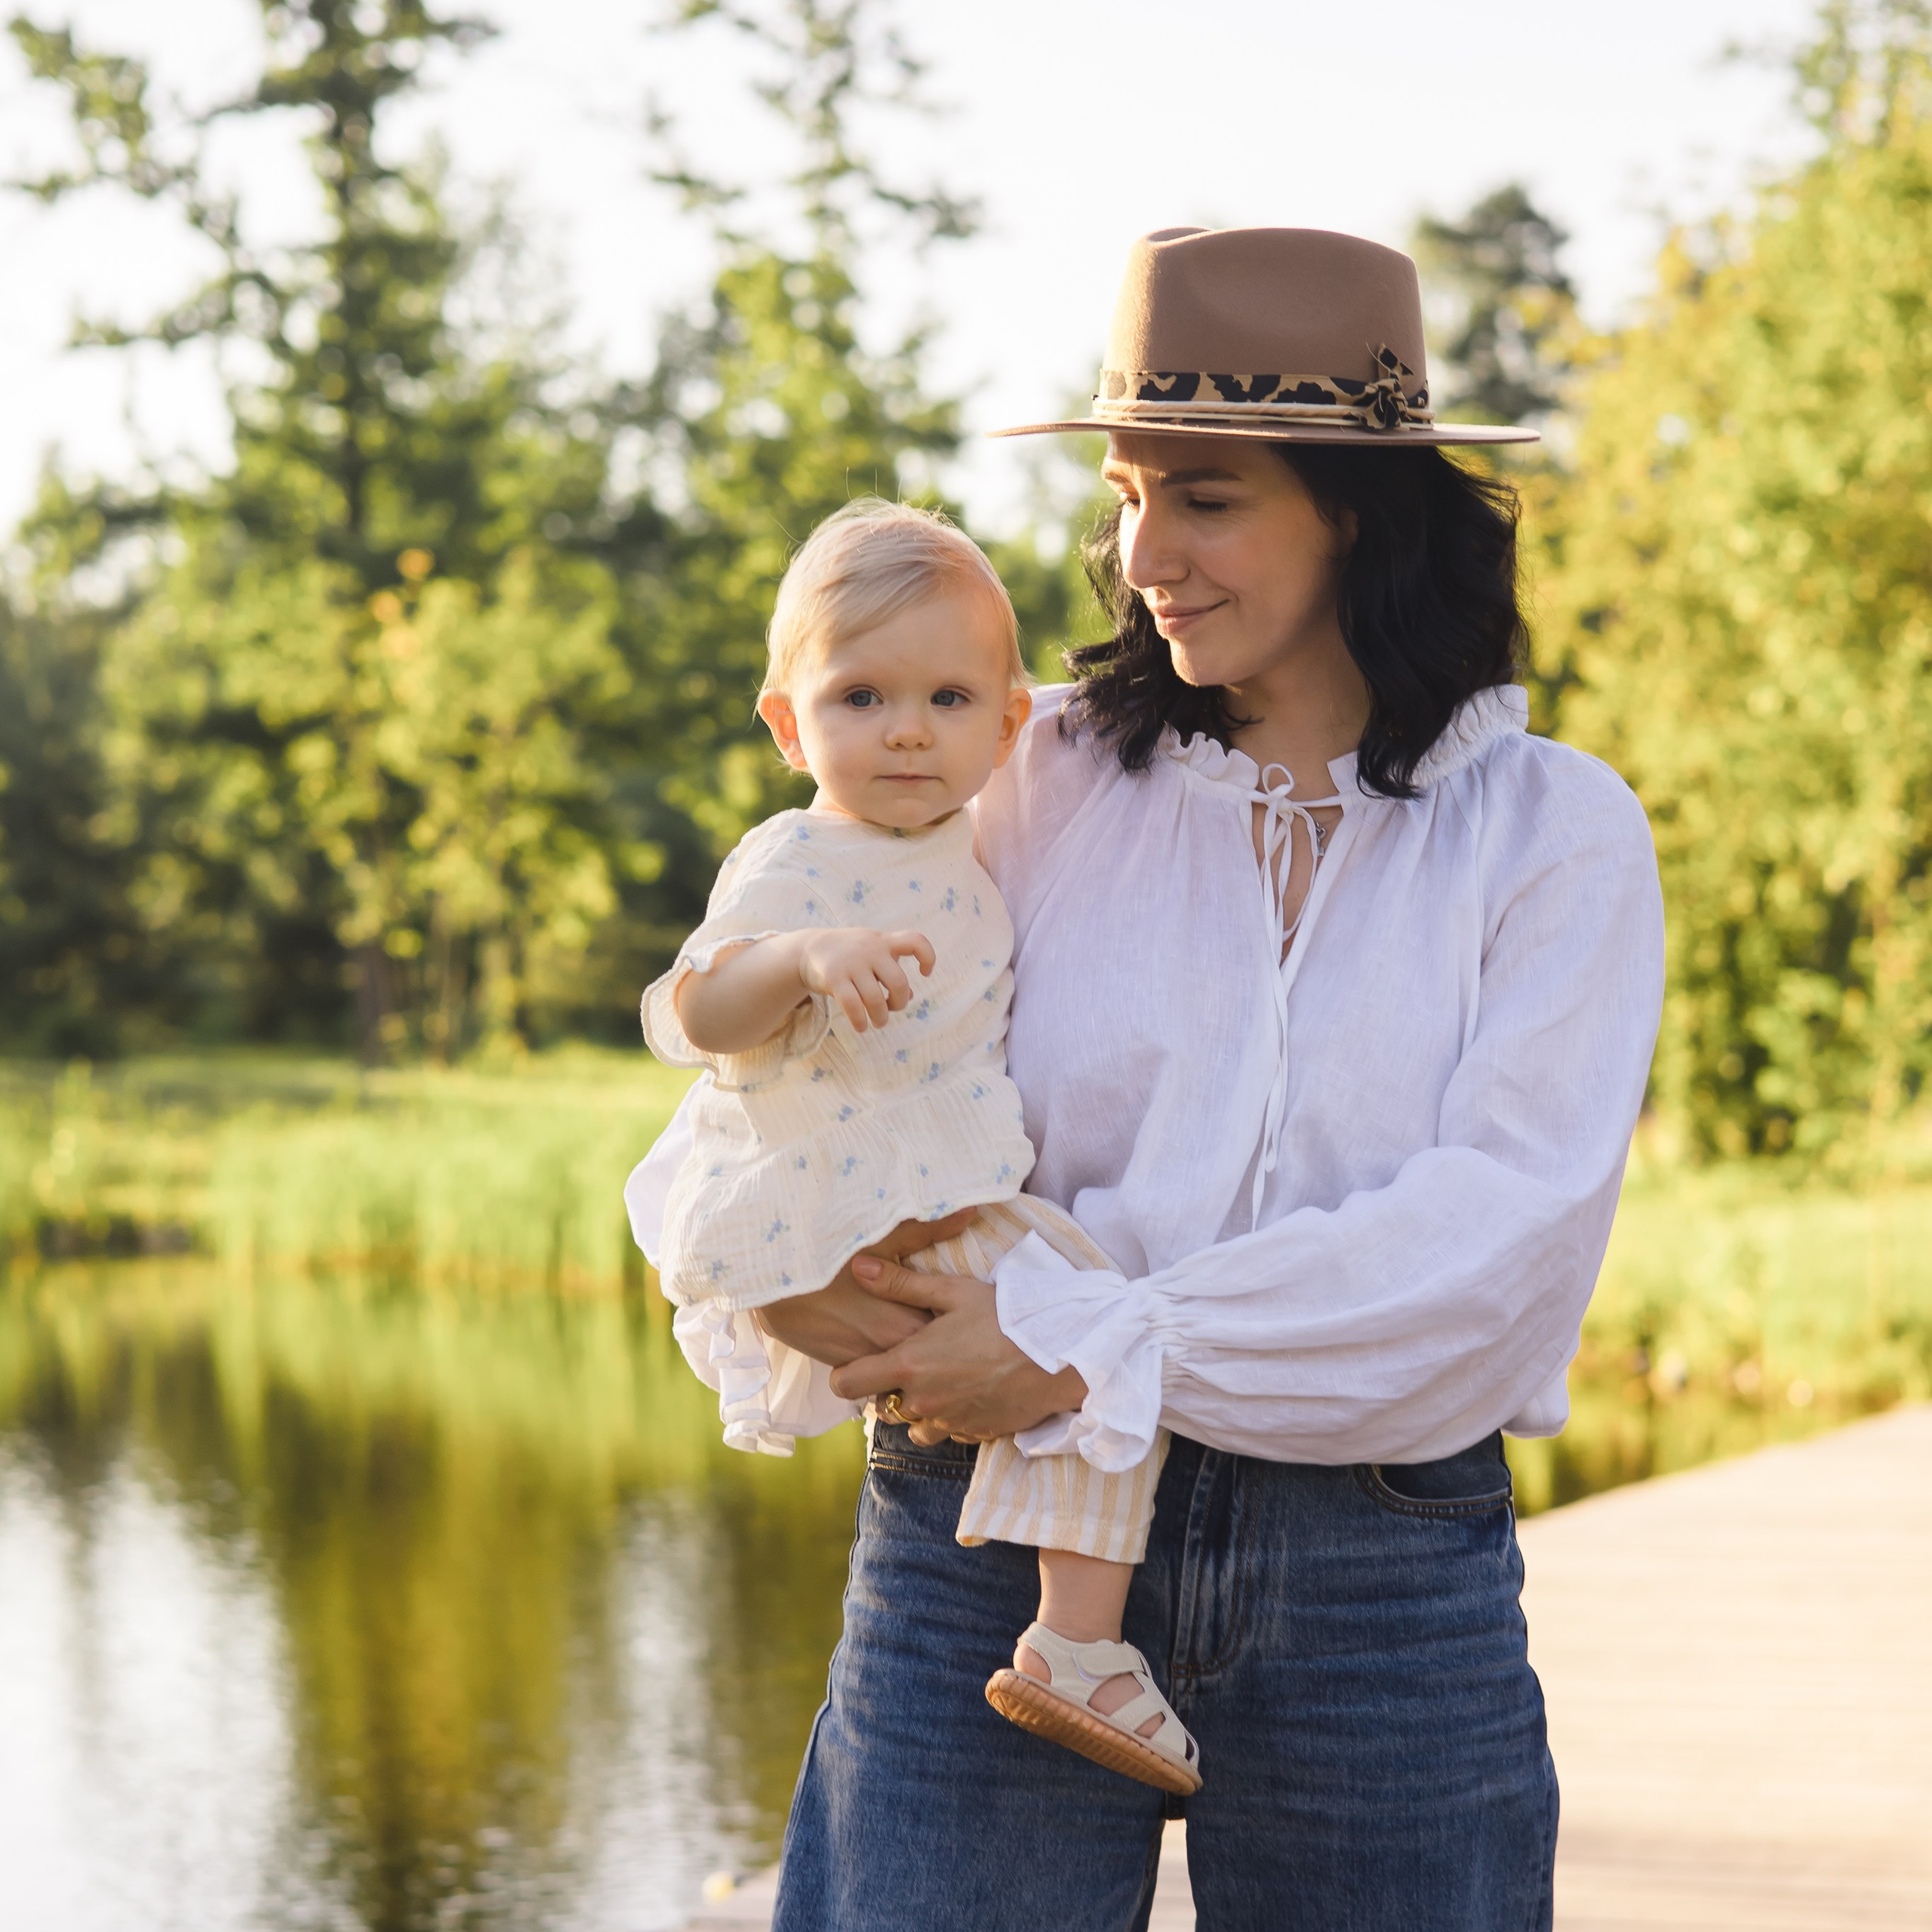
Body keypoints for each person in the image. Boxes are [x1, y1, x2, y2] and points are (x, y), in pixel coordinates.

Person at [629, 226, 1665, 1931]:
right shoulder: (1020, 778)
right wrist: (804, 1286)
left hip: (1376, 1578)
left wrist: (1092, 1339)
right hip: (982, 1542)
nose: (1138, 552)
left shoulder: (1551, 832)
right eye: (1122, 494)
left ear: (1359, 509)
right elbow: (789, 1062)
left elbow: (1502, 1240)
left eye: (1202, 497)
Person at [639, 497, 1201, 1795]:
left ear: (1012, 725)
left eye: (949, 699)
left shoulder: (980, 840)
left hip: (921, 1184)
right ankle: (1081, 1640)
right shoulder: (793, 855)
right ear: (789, 723)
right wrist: (795, 960)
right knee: (1097, 1324)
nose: (905, 729)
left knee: (1072, 1346)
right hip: (833, 1185)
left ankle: (1071, 1634)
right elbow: (691, 1013)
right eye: (860, 697)